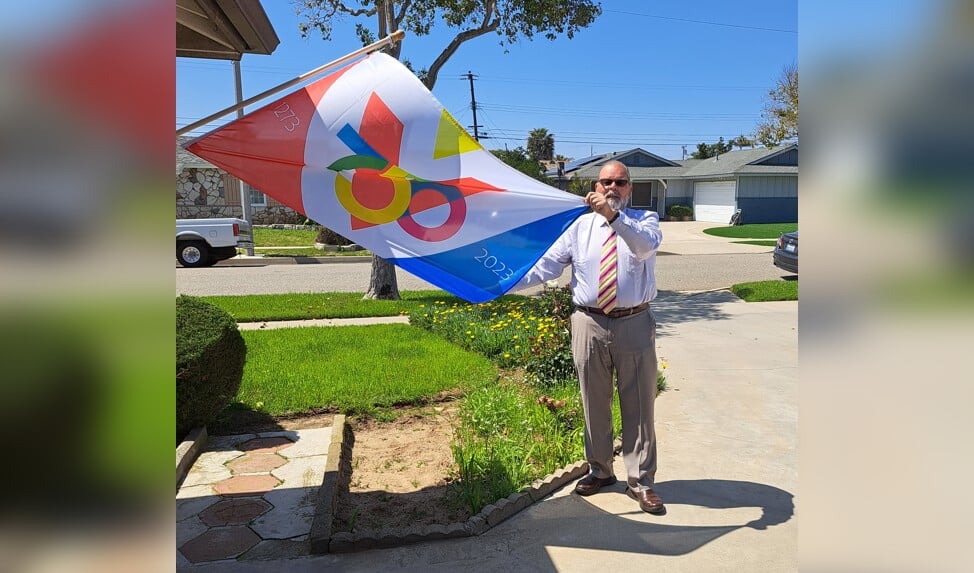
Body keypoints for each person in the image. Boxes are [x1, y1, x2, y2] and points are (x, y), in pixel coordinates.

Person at [514, 160, 665, 514]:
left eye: (620, 182)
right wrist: (500, 284)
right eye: (605, 182)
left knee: (640, 406)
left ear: (630, 188)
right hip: (589, 323)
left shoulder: (645, 221)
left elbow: (643, 248)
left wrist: (613, 218)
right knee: (593, 401)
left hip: (634, 322)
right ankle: (600, 470)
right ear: (595, 186)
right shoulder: (579, 226)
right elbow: (547, 266)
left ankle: (641, 481)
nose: (612, 188)